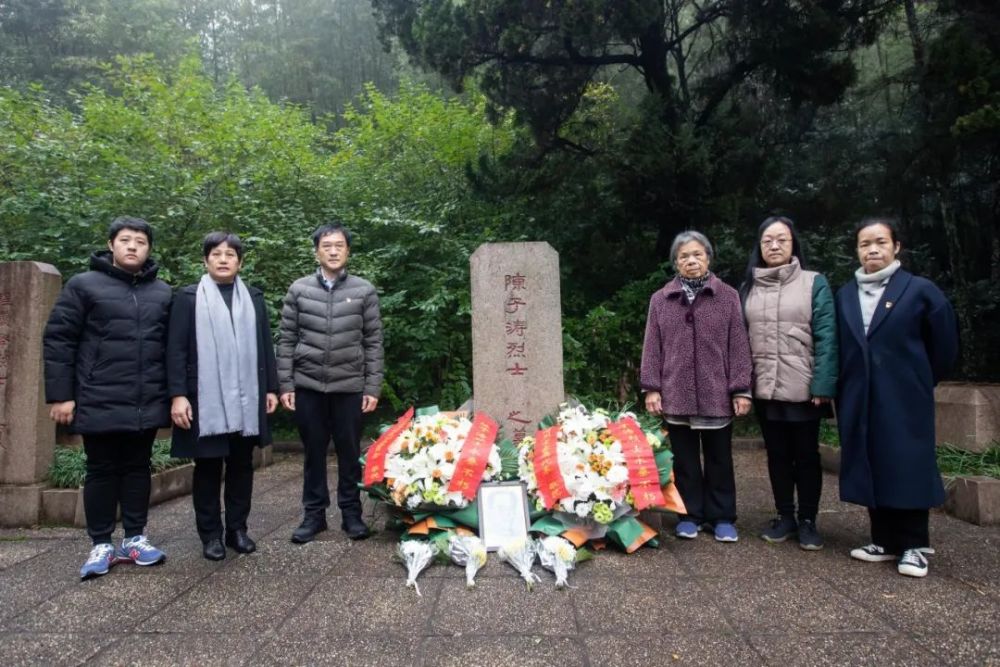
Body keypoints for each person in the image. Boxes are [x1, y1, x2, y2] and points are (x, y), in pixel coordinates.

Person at [43, 217, 171, 580]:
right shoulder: (84, 285)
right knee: (100, 468)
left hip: (145, 397)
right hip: (97, 394)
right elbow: (59, 340)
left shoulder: (161, 292)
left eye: (141, 242)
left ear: (149, 249)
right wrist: (61, 395)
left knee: (137, 467)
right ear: (111, 244)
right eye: (126, 240)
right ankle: (101, 541)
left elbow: (171, 348)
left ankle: (135, 537)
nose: (133, 247)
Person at [836, 217, 958, 578]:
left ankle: (914, 545)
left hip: (905, 395)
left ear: (896, 247)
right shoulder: (846, 294)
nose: (872, 249)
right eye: (864, 244)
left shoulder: (920, 290)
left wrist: (920, 379)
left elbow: (945, 347)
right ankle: (884, 540)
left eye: (880, 242)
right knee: (871, 458)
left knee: (906, 462)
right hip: (860, 394)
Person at [167, 232, 279, 561]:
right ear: (205, 260)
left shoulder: (254, 297)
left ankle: (237, 530)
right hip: (204, 399)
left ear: (240, 262)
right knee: (208, 468)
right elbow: (175, 350)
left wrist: (270, 388)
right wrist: (177, 395)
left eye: (230, 254)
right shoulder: (188, 298)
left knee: (242, 466)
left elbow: (264, 346)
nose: (223, 259)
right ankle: (210, 535)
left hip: (247, 397)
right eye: (216, 253)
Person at [641, 230, 753, 542]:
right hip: (675, 391)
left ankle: (722, 517)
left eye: (697, 255)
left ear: (708, 258)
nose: (691, 261)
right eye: (684, 256)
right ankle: (689, 514)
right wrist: (652, 387)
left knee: (720, 459)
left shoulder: (727, 296)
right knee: (685, 459)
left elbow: (738, 347)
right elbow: (652, 347)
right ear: (675, 263)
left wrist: (741, 389)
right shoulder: (661, 300)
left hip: (717, 392)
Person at [278, 222, 384, 543]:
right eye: (327, 246)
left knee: (349, 452)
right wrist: (286, 385)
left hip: (350, 386)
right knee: (313, 453)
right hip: (308, 385)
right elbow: (285, 340)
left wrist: (372, 387)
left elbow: (373, 342)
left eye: (339, 245)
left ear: (348, 251)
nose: (333, 250)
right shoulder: (299, 289)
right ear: (316, 251)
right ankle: (314, 516)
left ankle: (352, 514)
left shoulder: (363, 291)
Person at [739, 216, 837, 550]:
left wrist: (823, 384)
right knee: (777, 455)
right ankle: (785, 516)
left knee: (806, 456)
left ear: (794, 243)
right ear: (759, 247)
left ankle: (808, 520)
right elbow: (739, 340)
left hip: (804, 388)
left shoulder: (814, 282)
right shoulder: (749, 288)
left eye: (782, 239)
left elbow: (827, 335)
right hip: (765, 387)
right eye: (768, 240)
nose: (775, 245)